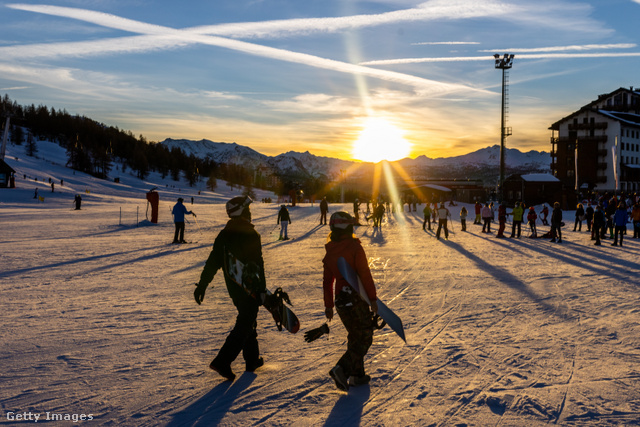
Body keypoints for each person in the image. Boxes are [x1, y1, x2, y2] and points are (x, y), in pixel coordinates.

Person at [193, 196, 266, 381]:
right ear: (242, 212)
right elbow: (258, 264)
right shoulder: (251, 234)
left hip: (234, 288)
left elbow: (212, 262)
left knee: (248, 319)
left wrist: (202, 285)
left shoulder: (224, 235)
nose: (250, 212)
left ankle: (252, 360)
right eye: (248, 209)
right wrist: (262, 289)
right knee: (245, 322)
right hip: (250, 286)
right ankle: (222, 361)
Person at [322, 212, 378, 391]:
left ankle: (357, 375)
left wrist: (329, 305)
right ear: (348, 227)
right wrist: (373, 299)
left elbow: (327, 281)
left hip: (340, 300)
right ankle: (342, 368)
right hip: (356, 298)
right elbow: (364, 274)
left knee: (355, 335)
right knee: (365, 336)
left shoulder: (330, 251)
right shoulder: (355, 248)